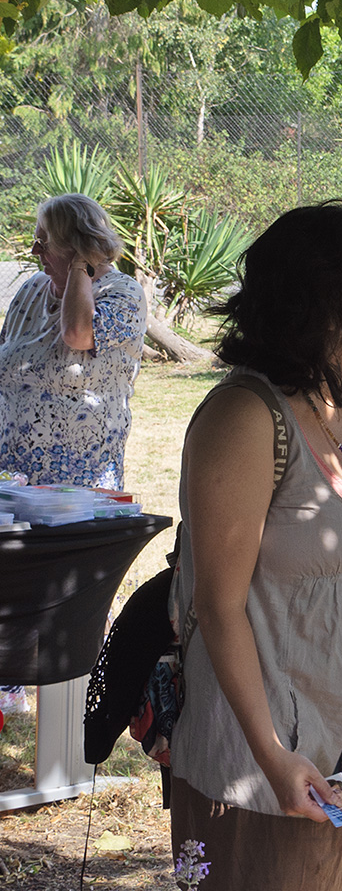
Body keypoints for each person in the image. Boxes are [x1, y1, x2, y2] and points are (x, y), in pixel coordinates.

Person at [167, 201, 342, 891]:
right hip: (260, 758)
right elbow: (219, 604)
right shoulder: (244, 416)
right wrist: (271, 756)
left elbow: (341, 548)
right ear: (320, 301)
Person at [0, 193, 146, 715]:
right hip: (14, 472)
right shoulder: (30, 292)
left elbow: (78, 334)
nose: (36, 248)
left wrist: (81, 270)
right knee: (11, 585)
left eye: (48, 240)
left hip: (77, 481)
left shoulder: (121, 295)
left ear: (79, 247)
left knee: (70, 600)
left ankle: (75, 718)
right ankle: (10, 685)